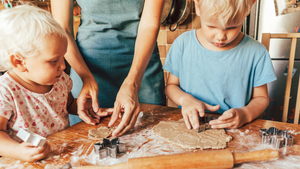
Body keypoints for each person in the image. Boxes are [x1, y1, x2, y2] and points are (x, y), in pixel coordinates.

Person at [0, 4, 112, 162]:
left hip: (60, 155)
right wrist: (17, 151)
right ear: (19, 62)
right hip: (24, 162)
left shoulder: (60, 80)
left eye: (63, 58)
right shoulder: (5, 91)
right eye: (54, 61)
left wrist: (84, 108)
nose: (63, 66)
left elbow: (66, 104)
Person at [51, 0, 166, 136]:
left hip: (142, 65)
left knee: (151, 138)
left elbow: (150, 24)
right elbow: (62, 30)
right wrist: (86, 78)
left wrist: (133, 82)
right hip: (86, 67)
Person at [163, 0, 277, 130]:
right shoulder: (182, 44)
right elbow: (171, 86)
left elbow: (261, 98)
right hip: (191, 127)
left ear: (248, 9)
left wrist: (245, 114)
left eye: (231, 27)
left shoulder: (257, 52)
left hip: (236, 130)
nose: (220, 36)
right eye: (211, 26)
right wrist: (184, 99)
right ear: (197, 7)